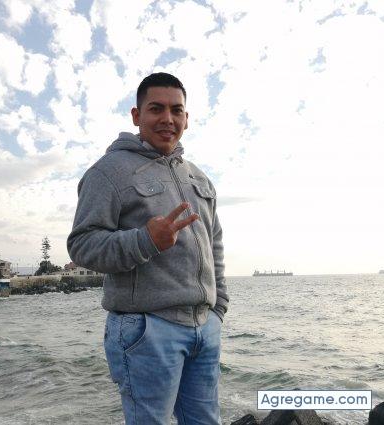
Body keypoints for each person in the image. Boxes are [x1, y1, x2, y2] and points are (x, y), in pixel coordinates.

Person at [67, 72, 229, 424]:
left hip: (204, 326)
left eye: (176, 110)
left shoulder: (198, 177)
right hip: (147, 330)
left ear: (186, 118)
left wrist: (218, 308)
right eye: (156, 109)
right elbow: (82, 245)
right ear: (136, 115)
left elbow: (214, 243)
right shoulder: (108, 172)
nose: (167, 118)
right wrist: (146, 240)